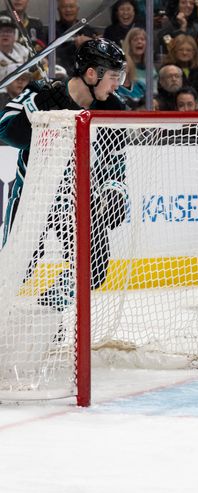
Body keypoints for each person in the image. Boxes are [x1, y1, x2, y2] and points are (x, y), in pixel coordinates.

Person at [0, 38, 127, 307]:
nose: (118, 84)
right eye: (115, 76)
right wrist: (40, 109)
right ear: (92, 74)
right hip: (34, 196)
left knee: (93, 268)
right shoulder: (41, 93)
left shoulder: (113, 108)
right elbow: (6, 131)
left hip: (80, 198)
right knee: (17, 266)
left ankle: (47, 312)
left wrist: (116, 191)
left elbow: (116, 160)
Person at [55, 0, 100, 75]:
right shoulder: (53, 30)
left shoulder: (87, 29)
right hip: (63, 73)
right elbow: (53, 55)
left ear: (77, 9)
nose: (68, 10)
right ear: (58, 10)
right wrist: (75, 46)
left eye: (71, 6)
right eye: (64, 7)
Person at [0, 15, 31, 82]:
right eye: (1, 31)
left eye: (9, 31)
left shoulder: (24, 52)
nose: (5, 34)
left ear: (15, 35)